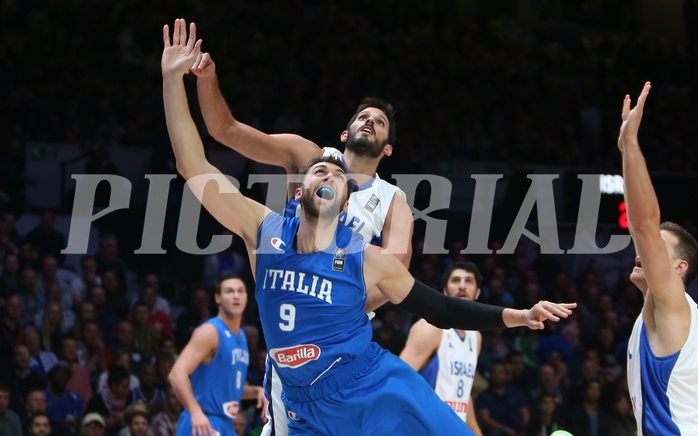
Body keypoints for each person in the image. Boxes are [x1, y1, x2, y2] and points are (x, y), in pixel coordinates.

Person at [161, 19, 576, 434]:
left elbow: (432, 304)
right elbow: (205, 151)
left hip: (356, 364)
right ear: (299, 184)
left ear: (348, 201)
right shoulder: (276, 207)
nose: (326, 176)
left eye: (379, 122)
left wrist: (517, 315)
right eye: (318, 172)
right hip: (298, 383)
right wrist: (178, 78)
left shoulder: (386, 216)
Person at [191, 24, 415, 436]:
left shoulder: (393, 200)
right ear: (344, 134)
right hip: (288, 320)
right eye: (363, 117)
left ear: (387, 148)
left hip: (341, 338)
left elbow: (398, 269)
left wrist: (339, 308)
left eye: (379, 122)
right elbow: (226, 131)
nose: (370, 122)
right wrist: (207, 80)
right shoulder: (310, 158)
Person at [619, 81, 698, 434]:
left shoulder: (673, 304)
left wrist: (629, 146)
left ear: (679, 268)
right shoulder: (658, 316)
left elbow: (645, 224)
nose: (642, 251)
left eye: (656, 249)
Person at [168, 275, 264, 436]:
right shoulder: (210, 331)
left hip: (225, 423)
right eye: (229, 291)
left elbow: (228, 389)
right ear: (218, 298)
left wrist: (257, 391)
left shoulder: (241, 336)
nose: (236, 295)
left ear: (247, 297)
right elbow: (176, 374)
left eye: (240, 291)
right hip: (203, 422)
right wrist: (196, 412)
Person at [400, 261, 484, 435]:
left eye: (468, 281)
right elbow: (399, 380)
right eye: (456, 280)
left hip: (455, 428)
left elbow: (463, 392)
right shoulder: (431, 328)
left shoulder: (475, 337)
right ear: (445, 291)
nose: (462, 286)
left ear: (477, 292)